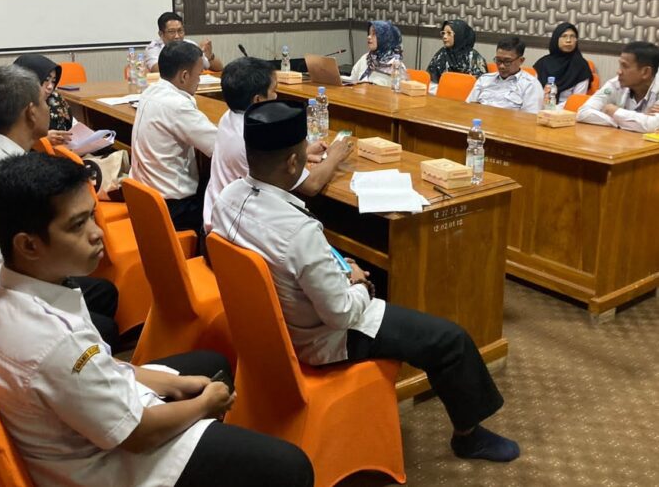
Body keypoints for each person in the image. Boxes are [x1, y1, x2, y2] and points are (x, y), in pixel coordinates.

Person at [0, 151, 314, 487]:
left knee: (209, 364)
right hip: (112, 466)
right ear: (28, 245)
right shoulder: (56, 343)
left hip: (78, 428)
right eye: (78, 225)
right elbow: (139, 435)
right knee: (291, 466)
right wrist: (204, 405)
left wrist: (172, 385)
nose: (97, 232)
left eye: (92, 215)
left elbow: (101, 367)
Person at [211, 100, 520, 463]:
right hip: (319, 339)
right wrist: (357, 283)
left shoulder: (228, 197)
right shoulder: (298, 232)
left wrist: (335, 267)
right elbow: (341, 315)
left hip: (269, 328)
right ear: (294, 163)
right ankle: (469, 437)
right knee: (451, 340)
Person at [0, 65, 119, 347]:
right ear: (31, 112)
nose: (49, 108)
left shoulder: (7, 158)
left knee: (104, 293)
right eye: (45, 102)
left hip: (20, 276)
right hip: (7, 295)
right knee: (104, 327)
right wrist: (31, 316)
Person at [202, 56, 352, 232]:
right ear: (258, 100)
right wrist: (335, 155)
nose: (277, 96)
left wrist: (302, 153)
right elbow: (311, 185)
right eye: (274, 91)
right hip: (238, 227)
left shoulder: (230, 117)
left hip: (218, 218)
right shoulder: (258, 135)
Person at [131, 41, 216, 232]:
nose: (199, 81)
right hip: (174, 210)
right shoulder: (177, 105)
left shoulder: (150, 91)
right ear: (184, 76)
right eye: (199, 75)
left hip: (146, 199)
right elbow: (218, 146)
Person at [577, 41, 659, 133]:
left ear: (646, 72)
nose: (619, 72)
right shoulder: (616, 83)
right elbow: (583, 113)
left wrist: (615, 112)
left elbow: (653, 126)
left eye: (625, 66)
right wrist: (622, 120)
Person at [466, 36, 544, 113]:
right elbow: (468, 107)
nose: (501, 66)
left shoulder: (530, 85)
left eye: (507, 61)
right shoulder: (484, 79)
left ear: (521, 60)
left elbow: (530, 117)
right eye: (498, 60)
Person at [14, 53, 74, 145]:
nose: (50, 87)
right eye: (45, 80)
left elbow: (72, 128)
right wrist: (42, 140)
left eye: (53, 81)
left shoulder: (56, 100)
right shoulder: (12, 105)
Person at [532, 23, 592, 107]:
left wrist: (555, 109)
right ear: (556, 39)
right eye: (564, 36)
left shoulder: (581, 66)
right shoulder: (543, 63)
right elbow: (534, 92)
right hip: (540, 107)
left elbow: (577, 100)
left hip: (567, 110)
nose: (568, 40)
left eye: (572, 36)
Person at [145, 11, 223, 73]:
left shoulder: (190, 44)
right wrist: (193, 57)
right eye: (171, 31)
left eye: (180, 31)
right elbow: (158, 70)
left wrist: (210, 56)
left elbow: (219, 68)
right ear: (161, 34)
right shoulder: (153, 48)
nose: (177, 36)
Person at [426, 19, 488, 95]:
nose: (444, 37)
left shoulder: (474, 57)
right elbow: (430, 82)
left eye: (449, 33)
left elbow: (482, 88)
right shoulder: (442, 54)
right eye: (443, 33)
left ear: (459, 35)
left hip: (468, 99)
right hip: (443, 97)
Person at [350, 20, 408, 86]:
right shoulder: (365, 58)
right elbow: (351, 80)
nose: (369, 37)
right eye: (369, 33)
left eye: (374, 34)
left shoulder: (396, 65)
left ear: (385, 38)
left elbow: (400, 90)